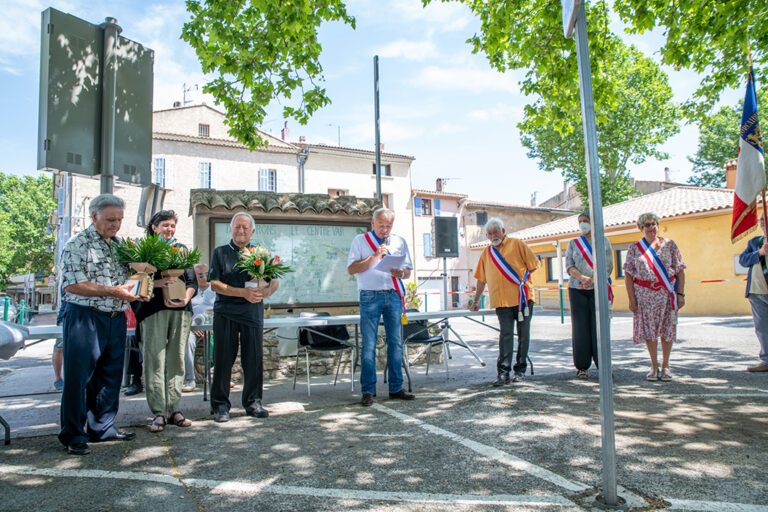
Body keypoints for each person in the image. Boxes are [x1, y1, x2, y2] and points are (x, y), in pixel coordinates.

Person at [58, 194, 142, 456]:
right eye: (110, 219)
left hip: (115, 319)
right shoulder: (77, 244)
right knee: (78, 377)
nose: (116, 225)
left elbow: (130, 280)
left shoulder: (118, 244)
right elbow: (73, 285)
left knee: (109, 377)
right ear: (94, 216)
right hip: (85, 317)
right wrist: (114, 291)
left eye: (119, 220)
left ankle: (103, 428)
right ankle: (73, 434)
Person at [208, 212, 279, 422]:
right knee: (222, 360)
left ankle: (253, 403)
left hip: (252, 313)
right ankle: (220, 406)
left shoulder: (262, 254)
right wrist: (242, 293)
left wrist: (265, 293)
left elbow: (274, 281)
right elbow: (214, 284)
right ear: (231, 229)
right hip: (226, 312)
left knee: (254, 359)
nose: (241, 231)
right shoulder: (220, 253)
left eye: (245, 228)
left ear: (252, 231)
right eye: (237, 227)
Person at [135, 210, 197, 433]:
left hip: (181, 311)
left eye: (172, 225)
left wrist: (185, 298)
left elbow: (192, 282)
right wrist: (161, 284)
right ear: (154, 227)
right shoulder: (145, 250)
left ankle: (174, 409)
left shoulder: (181, 250)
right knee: (155, 361)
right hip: (153, 311)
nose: (169, 229)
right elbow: (137, 283)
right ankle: (159, 412)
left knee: (177, 359)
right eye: (165, 225)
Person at [348, 207, 415, 406]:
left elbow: (408, 271)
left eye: (388, 226)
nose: (384, 230)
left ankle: (396, 388)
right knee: (369, 344)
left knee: (395, 343)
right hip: (370, 295)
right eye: (381, 226)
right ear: (373, 223)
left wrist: (401, 273)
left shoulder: (399, 241)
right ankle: (368, 391)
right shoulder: (360, 241)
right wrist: (374, 256)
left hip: (393, 295)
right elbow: (352, 269)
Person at [471, 218, 540, 385]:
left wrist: (522, 280)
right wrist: (476, 300)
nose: (493, 235)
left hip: (522, 299)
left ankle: (520, 370)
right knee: (505, 336)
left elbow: (534, 264)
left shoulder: (517, 244)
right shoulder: (486, 253)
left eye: (496, 231)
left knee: (523, 336)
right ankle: (503, 373)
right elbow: (481, 279)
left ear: (503, 231)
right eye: (490, 233)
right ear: (486, 236)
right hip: (501, 301)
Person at [624, 213, 686, 381]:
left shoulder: (669, 245)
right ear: (641, 228)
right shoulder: (635, 248)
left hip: (666, 295)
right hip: (644, 296)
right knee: (650, 331)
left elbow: (680, 270)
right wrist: (631, 299)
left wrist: (680, 294)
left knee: (667, 329)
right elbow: (629, 275)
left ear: (658, 225)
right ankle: (654, 365)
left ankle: (666, 365)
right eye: (646, 225)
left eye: (653, 224)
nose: (651, 227)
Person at [565, 211, 613, 379]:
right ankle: (582, 366)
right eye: (580, 221)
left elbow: (608, 266)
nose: (582, 224)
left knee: (599, 328)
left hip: (598, 289)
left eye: (585, 221)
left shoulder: (603, 242)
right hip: (577, 289)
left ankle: (603, 365)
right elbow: (569, 265)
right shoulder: (573, 243)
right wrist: (583, 278)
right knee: (580, 328)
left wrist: (594, 280)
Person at [739, 215, 768, 372]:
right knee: (762, 328)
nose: (763, 222)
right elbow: (743, 260)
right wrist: (759, 253)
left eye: (766, 219)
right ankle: (766, 361)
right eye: (762, 220)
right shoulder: (755, 242)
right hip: (757, 291)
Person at [183, 263, 216, 391]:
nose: (204, 277)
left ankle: (221, 377)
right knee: (187, 341)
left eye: (206, 274)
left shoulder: (215, 289)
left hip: (213, 325)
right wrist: (193, 327)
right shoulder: (190, 291)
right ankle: (190, 380)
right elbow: (185, 311)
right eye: (200, 275)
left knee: (223, 338)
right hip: (193, 327)